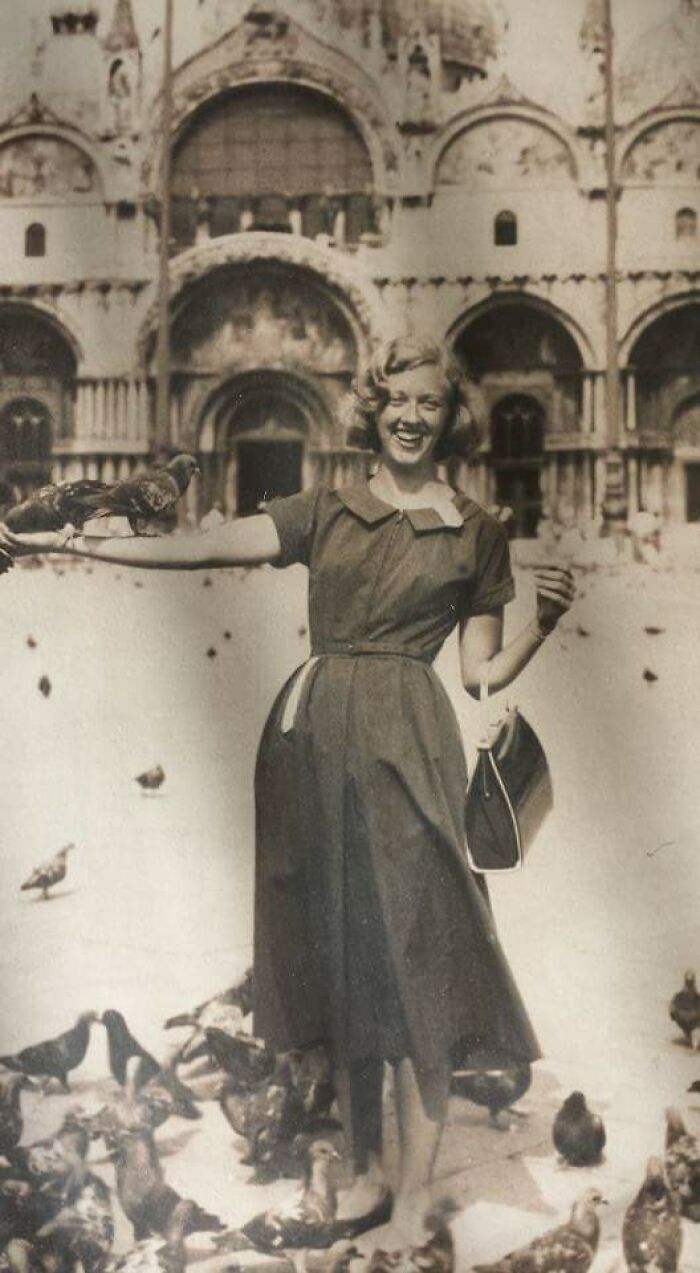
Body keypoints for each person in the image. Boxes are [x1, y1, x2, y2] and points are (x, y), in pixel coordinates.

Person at [0, 337, 575, 1250]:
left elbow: (478, 673)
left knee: (421, 966)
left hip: (412, 742)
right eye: (397, 401)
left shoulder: (477, 529)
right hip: (313, 740)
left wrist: (542, 624)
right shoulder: (326, 509)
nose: (413, 416)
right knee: (344, 966)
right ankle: (363, 1172)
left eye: (430, 402)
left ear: (449, 415)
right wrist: (84, 541)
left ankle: (419, 1198)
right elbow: (203, 550)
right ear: (372, 409)